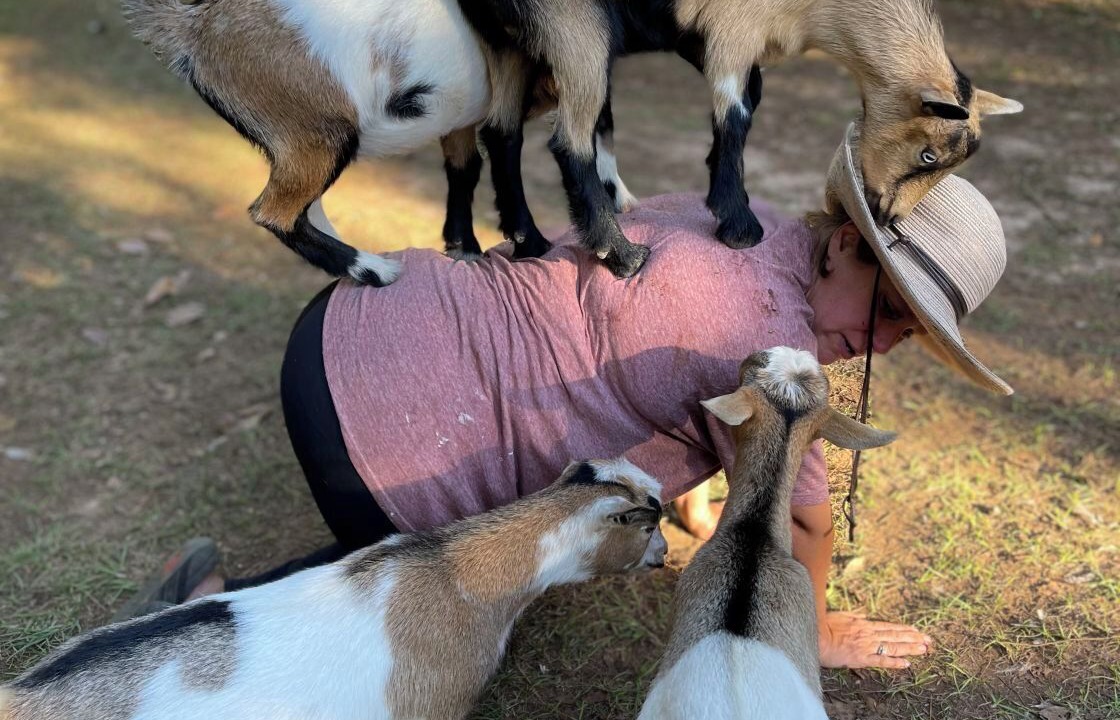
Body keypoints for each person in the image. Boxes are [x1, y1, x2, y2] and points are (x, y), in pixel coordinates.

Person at [121, 124, 1012, 670]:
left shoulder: (750, 221)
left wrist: (693, 489)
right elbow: (798, 519)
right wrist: (809, 632)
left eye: (916, 334)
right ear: (849, 244)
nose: (891, 341)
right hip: (388, 428)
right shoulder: (767, 337)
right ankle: (208, 611)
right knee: (423, 618)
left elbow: (632, 348)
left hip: (354, 322)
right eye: (894, 310)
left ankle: (215, 596)